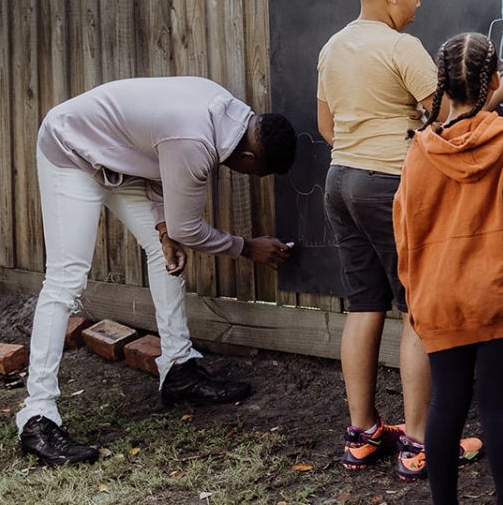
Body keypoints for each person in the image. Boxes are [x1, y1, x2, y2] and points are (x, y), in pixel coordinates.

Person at [317, 0, 503, 480]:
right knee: (419, 306)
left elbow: (327, 127)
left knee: (363, 304)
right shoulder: (402, 49)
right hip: (387, 184)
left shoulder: (334, 46)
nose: (419, 4)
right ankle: (417, 441)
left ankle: (362, 432)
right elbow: (452, 118)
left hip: (339, 180)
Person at [17, 76, 297, 467]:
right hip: (72, 149)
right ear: (250, 160)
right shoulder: (198, 141)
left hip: (115, 157)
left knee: (164, 248)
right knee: (67, 278)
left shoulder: (226, 111)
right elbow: (190, 223)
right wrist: (247, 247)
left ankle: (179, 370)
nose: (248, 175)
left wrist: (164, 228)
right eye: (255, 173)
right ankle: (37, 415)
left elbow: (156, 157)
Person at [393, 32, 503, 505]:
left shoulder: (418, 154)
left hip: (442, 302)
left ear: (441, 85)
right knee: (498, 406)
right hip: (499, 297)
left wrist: (417, 294)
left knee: (445, 405)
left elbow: (404, 235)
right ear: (493, 81)